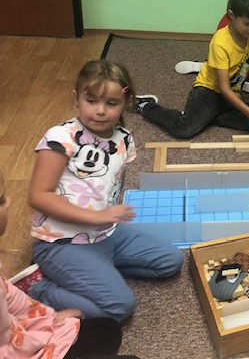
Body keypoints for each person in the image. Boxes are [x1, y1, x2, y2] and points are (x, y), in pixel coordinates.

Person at [26, 60, 183, 322]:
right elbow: (38, 196)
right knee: (120, 307)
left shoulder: (123, 138)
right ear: (76, 98)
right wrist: (98, 216)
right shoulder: (60, 137)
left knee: (171, 261)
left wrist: (106, 217)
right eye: (91, 101)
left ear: (126, 103)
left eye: (111, 103)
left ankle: (97, 270)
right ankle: (39, 289)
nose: (100, 111)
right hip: (60, 243)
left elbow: (110, 183)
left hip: (105, 234)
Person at [0, 170, 141, 359]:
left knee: (109, 330)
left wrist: (50, 319)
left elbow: (14, 302)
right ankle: (39, 288)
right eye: (1, 201)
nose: (9, 201)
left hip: (22, 340)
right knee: (117, 317)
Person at [136, 0, 249, 138]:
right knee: (184, 129)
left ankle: (207, 117)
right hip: (209, 91)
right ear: (231, 15)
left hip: (232, 94)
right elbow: (223, 88)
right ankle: (146, 106)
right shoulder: (220, 42)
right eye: (248, 23)